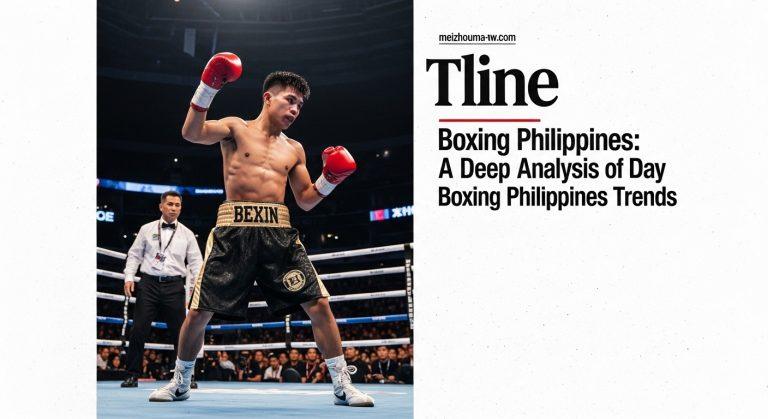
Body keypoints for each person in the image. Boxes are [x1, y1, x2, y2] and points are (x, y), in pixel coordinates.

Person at [148, 53, 374, 407]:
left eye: (300, 105)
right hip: (233, 230)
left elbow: (306, 200)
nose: (296, 109)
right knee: (199, 312)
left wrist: (330, 179)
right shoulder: (236, 128)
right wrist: (209, 87)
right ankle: (180, 381)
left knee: (319, 305)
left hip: (279, 234)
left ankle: (342, 384)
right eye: (290, 99)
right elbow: (192, 133)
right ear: (268, 97)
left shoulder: (295, 149)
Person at [121, 191, 203, 388]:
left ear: (181, 208)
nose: (174, 208)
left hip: (174, 285)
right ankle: (132, 374)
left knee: (181, 333)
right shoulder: (146, 229)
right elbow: (134, 255)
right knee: (139, 329)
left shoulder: (187, 234)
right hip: (148, 283)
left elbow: (197, 264)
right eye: (170, 204)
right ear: (161, 206)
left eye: (177, 205)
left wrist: (197, 291)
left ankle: (185, 376)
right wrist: (129, 277)